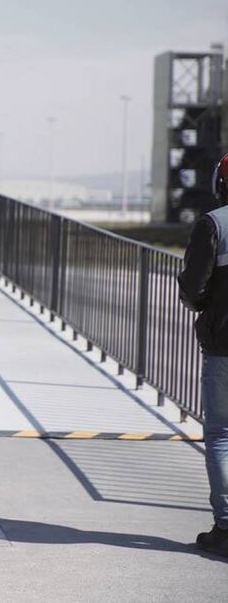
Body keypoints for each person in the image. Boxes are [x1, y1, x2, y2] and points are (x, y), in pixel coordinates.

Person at [178, 152, 228, 559]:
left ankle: (226, 528)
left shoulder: (214, 225)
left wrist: (202, 305)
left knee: (221, 435)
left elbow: (193, 288)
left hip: (223, 346)